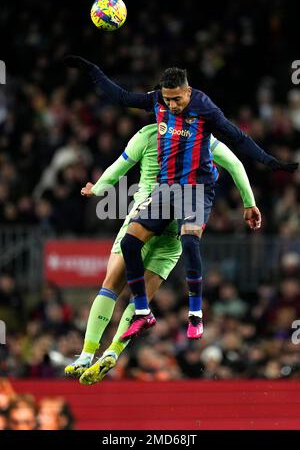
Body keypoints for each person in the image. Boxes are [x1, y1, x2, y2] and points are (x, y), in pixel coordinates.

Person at [65, 57, 298, 341]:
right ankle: (142, 312)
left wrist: (270, 162)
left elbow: (238, 139)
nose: (172, 105)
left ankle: (196, 315)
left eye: (177, 99)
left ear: (188, 92)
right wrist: (92, 70)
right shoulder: (158, 102)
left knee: (189, 240)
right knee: (129, 241)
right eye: (167, 99)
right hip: (167, 190)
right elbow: (121, 97)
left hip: (198, 189)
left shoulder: (205, 109)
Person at [65, 123, 260, 385]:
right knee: (142, 297)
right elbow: (236, 164)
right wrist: (249, 203)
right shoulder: (202, 136)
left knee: (111, 285)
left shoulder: (148, 134)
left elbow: (119, 167)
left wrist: (97, 189)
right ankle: (113, 351)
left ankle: (87, 354)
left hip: (146, 214)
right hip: (180, 222)